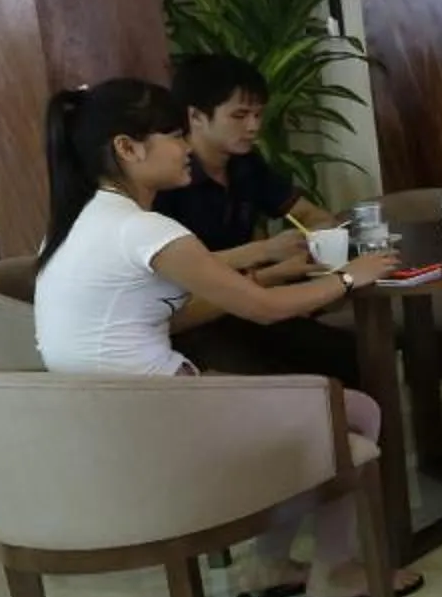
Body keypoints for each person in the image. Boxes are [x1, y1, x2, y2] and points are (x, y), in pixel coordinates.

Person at [31, 78, 421, 597]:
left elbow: (180, 307)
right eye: (174, 135)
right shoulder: (142, 229)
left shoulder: (80, 223)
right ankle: (334, 570)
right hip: (164, 417)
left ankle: (272, 565)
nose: (186, 147)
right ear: (127, 148)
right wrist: (351, 277)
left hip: (109, 423)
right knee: (355, 410)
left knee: (318, 407)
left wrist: (261, 267)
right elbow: (264, 310)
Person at [153, 52, 360, 387]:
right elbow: (177, 273)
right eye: (239, 115)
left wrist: (317, 235)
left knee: (348, 354)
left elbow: (309, 213)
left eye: (258, 114)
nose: (254, 127)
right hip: (194, 319)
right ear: (196, 116)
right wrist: (268, 255)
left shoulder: (245, 163)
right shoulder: (167, 181)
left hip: (251, 302)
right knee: (280, 379)